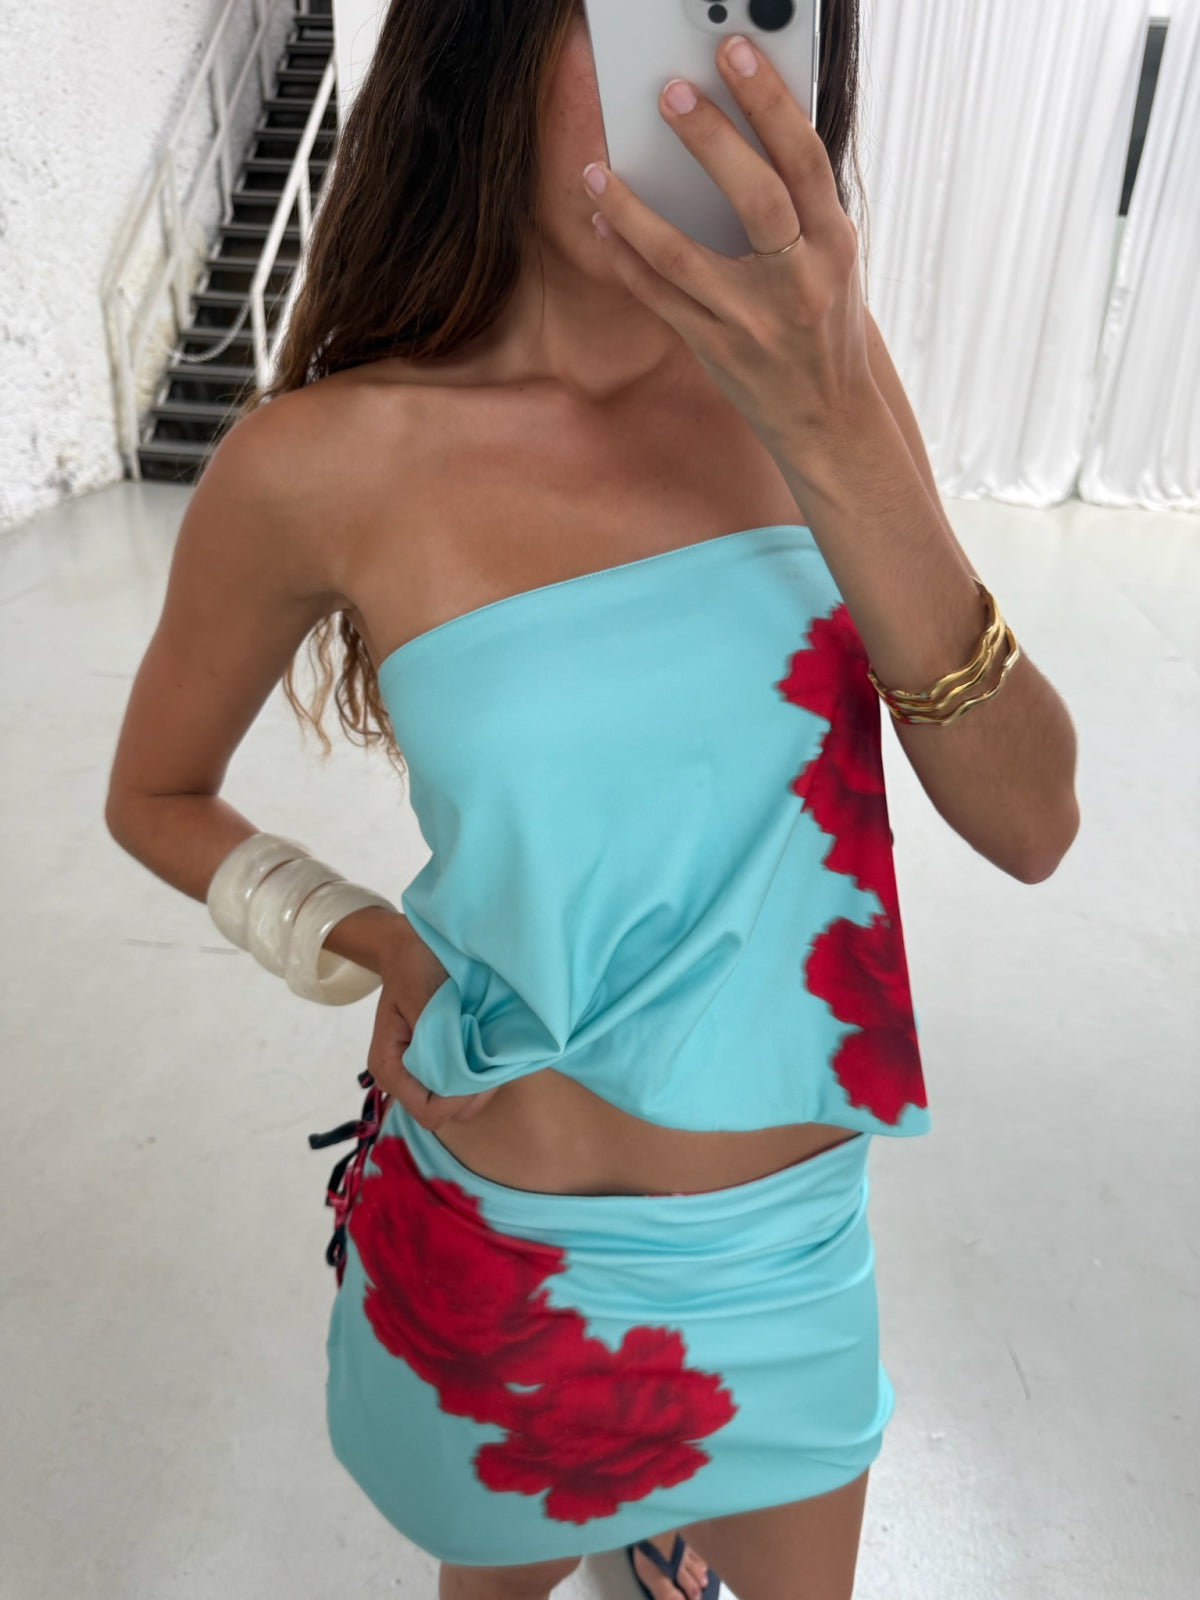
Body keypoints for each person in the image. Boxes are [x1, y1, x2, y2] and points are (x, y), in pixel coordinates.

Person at [105, 3, 1080, 1598]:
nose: (703, 80)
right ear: (489, 40)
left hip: (780, 1258)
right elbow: (155, 794)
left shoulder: (831, 386)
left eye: (749, 16)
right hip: (500, 1236)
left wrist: (828, 424)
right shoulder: (324, 462)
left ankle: (661, 1531)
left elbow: (1032, 822)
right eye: (640, 12)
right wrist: (361, 937)